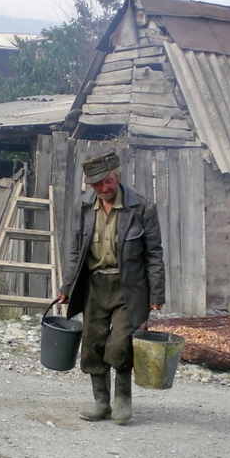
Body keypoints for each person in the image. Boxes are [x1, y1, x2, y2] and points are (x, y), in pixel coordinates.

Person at [57, 150, 165, 426]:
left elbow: (154, 254)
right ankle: (101, 402)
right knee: (92, 344)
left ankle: (122, 400)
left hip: (129, 287)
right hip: (94, 285)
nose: (103, 189)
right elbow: (75, 252)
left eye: (107, 182)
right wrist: (67, 286)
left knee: (120, 344)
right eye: (96, 185)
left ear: (117, 175)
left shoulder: (142, 207)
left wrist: (157, 293)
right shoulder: (83, 207)